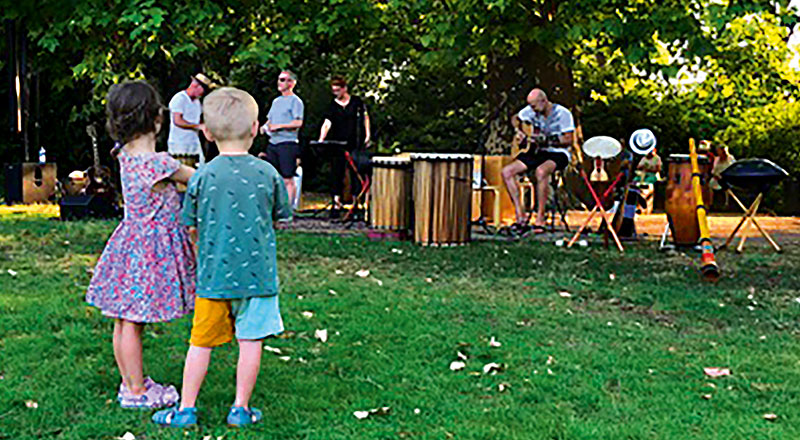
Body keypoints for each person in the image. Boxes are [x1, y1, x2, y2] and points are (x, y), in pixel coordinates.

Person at [153, 87, 292, 428]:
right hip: (258, 277)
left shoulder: (202, 176)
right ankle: (240, 409)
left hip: (213, 277)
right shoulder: (268, 173)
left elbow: (190, 226)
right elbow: (280, 217)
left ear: (208, 133)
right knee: (251, 342)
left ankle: (186, 409)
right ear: (256, 127)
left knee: (200, 343)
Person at [85, 80, 196, 409]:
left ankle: (130, 383)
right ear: (157, 119)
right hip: (150, 252)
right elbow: (199, 179)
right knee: (133, 321)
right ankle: (136, 392)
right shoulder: (160, 163)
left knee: (123, 319)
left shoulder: (123, 154)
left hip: (130, 244)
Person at [501, 88, 574, 234]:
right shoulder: (531, 111)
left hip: (558, 153)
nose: (532, 110)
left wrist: (547, 140)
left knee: (541, 171)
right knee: (507, 172)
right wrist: (519, 132)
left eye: (534, 106)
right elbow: (515, 118)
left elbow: (569, 139)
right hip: (537, 150)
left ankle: (540, 219)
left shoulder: (562, 114)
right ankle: (520, 216)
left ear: (543, 101)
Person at [318, 76, 371, 217]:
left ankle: (356, 203)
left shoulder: (357, 102)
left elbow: (365, 117)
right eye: (334, 91)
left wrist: (367, 134)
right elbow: (327, 123)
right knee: (337, 171)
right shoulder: (332, 106)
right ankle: (336, 203)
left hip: (355, 142)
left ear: (344, 89)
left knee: (356, 172)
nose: (336, 93)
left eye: (338, 90)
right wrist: (321, 139)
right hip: (338, 143)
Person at [261, 70, 303, 208]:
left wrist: (279, 127)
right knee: (273, 177)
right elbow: (270, 120)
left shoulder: (296, 101)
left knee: (287, 178)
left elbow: (298, 123)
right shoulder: (276, 101)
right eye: (280, 79)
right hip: (273, 143)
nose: (280, 82)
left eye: (284, 80)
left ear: (292, 83)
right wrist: (264, 128)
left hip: (287, 144)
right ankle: (275, 208)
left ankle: (288, 210)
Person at [168, 73, 213, 168]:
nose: (202, 93)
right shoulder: (179, 98)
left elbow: (198, 120)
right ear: (195, 85)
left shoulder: (197, 103)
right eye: (203, 89)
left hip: (193, 144)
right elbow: (177, 121)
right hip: (179, 144)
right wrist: (198, 126)